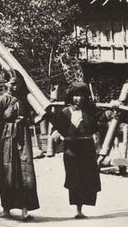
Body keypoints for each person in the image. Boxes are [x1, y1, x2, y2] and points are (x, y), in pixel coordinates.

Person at [44, 82, 104, 219]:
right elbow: (56, 132)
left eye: (82, 95)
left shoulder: (90, 110)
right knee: (74, 178)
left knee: (87, 177)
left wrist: (113, 107)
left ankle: (83, 207)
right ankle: (77, 209)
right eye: (76, 95)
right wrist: (63, 137)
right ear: (71, 97)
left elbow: (100, 122)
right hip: (72, 150)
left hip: (87, 149)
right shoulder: (65, 113)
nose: (79, 98)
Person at [0, 71, 40, 221]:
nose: (15, 86)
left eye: (17, 83)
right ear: (6, 84)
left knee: (25, 172)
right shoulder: (2, 100)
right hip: (6, 139)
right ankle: (6, 208)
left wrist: (27, 119)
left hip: (23, 138)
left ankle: (25, 210)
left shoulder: (25, 100)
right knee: (7, 173)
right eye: (12, 83)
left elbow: (34, 117)